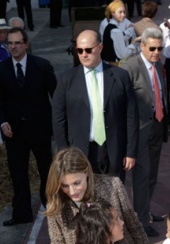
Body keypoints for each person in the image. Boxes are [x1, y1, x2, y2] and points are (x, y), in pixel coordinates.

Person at [52, 30, 138, 179]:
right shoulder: (66, 80)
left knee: (113, 198)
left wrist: (130, 152)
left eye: (88, 50)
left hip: (113, 149)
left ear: (100, 48)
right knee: (84, 198)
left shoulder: (120, 76)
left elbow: (131, 115)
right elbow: (58, 120)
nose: (83, 54)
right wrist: (64, 154)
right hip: (80, 151)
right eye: (79, 50)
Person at [0, 27, 56, 226]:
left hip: (40, 129)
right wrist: (3, 122)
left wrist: (57, 124)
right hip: (14, 132)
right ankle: (21, 213)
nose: (13, 47)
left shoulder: (42, 66)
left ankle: (52, 208)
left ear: (26, 44)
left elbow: (56, 97)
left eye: (17, 43)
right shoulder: (1, 68)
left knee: (46, 169)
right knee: (18, 173)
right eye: (10, 43)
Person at [122, 27, 167, 237]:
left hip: (157, 128)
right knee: (141, 176)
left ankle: (145, 211)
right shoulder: (130, 67)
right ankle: (139, 221)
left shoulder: (160, 65)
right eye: (152, 48)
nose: (156, 52)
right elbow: (122, 102)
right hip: (139, 132)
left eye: (159, 48)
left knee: (152, 175)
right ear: (142, 46)